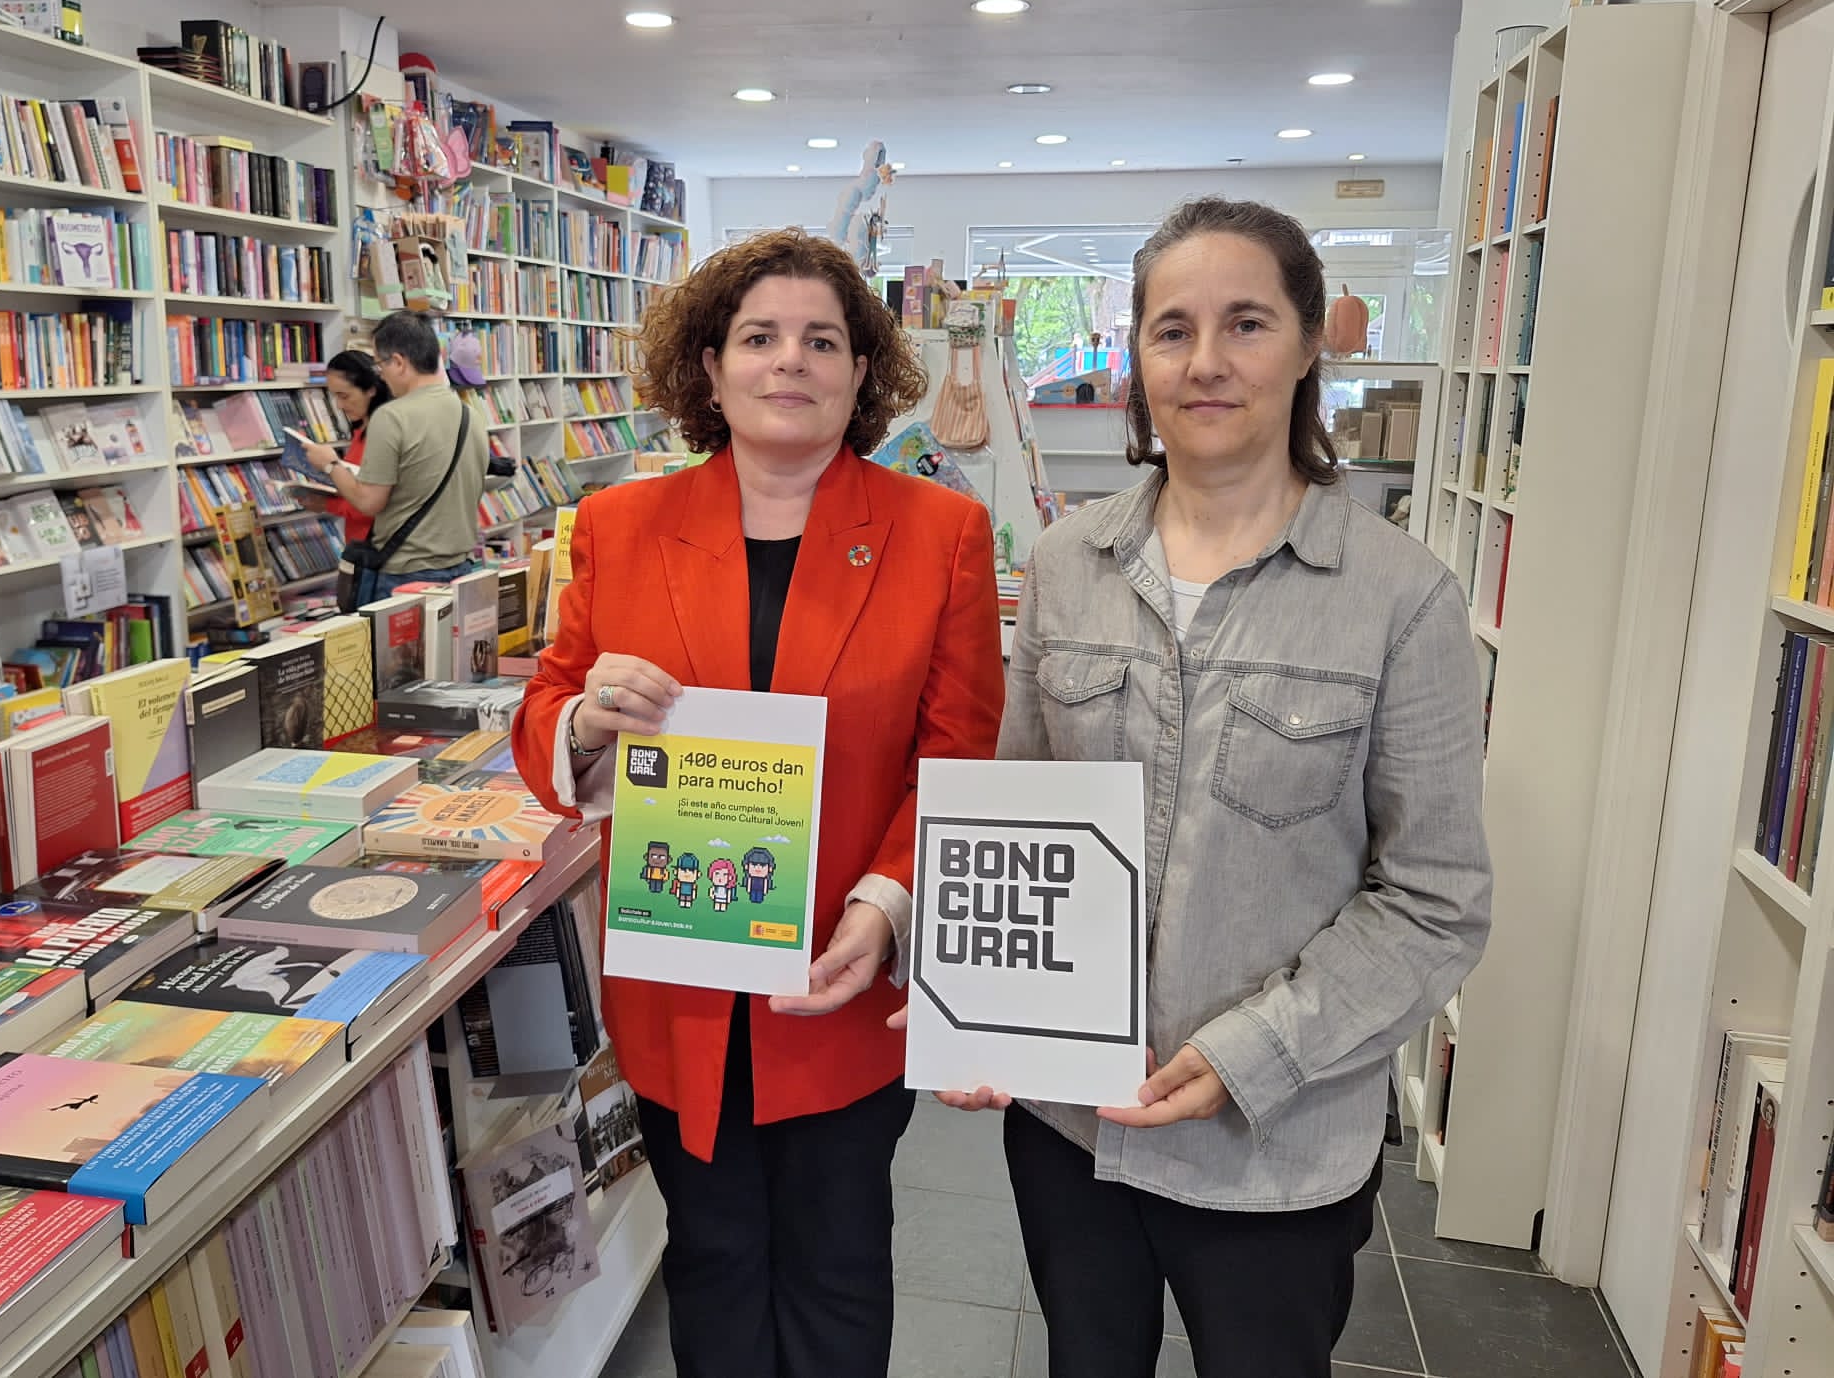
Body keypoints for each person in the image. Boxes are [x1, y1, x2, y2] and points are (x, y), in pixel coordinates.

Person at [925, 197, 1493, 1378]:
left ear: (1304, 347)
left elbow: (1435, 900)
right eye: (1172, 330)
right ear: (1136, 360)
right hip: (1071, 1132)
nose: (1208, 361)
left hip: (1273, 1143)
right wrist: (985, 1003)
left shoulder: (1403, 600)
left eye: (1246, 323)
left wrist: (1253, 1053)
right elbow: (1022, 815)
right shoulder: (1064, 569)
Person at [511, 227, 1004, 1378]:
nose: (791, 361)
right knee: (714, 1257)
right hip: (679, 979)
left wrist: (886, 906)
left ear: (862, 371)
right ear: (711, 368)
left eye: (822, 340)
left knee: (838, 1264)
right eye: (760, 337)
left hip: (841, 976)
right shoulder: (621, 527)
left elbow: (958, 755)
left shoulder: (940, 533)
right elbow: (544, 718)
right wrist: (584, 721)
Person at [298, 311, 486, 606]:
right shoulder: (470, 415)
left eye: (380, 363)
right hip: (462, 568)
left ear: (398, 362)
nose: (380, 373)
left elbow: (369, 502)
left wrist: (330, 464)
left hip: (407, 575)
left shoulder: (392, 417)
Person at [313, 348, 392, 545]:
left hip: (375, 547)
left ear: (371, 389)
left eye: (344, 396)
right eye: (334, 396)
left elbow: (372, 506)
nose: (338, 406)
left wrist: (326, 502)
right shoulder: (360, 429)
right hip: (359, 544)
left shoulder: (383, 434)